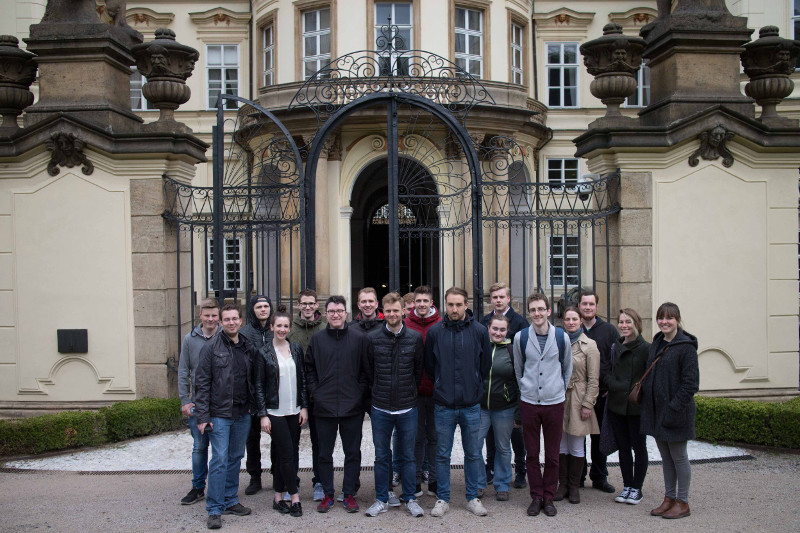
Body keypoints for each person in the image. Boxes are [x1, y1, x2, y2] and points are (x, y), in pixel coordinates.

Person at [424, 287, 491, 518]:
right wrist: (442, 383)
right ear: (445, 305)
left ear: (466, 305)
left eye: (458, 305)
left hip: (471, 404)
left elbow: (485, 366)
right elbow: (430, 367)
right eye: (450, 305)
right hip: (444, 404)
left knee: (473, 453)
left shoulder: (480, 331)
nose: (454, 309)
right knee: (442, 454)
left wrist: (473, 385)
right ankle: (443, 498)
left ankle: (472, 497)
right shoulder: (435, 332)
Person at [305, 295, 370, 513]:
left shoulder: (359, 338)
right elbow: (309, 369)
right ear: (325, 313)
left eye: (339, 311)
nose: (335, 314)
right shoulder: (317, 339)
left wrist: (358, 392)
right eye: (331, 311)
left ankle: (349, 493)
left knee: (352, 452)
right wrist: (316, 392)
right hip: (324, 406)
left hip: (352, 406)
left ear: (346, 313)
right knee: (324, 453)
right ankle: (328, 494)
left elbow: (365, 370)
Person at [364, 292, 425, 518]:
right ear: (383, 311)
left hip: (407, 406)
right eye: (388, 311)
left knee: (408, 456)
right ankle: (381, 498)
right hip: (381, 407)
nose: (392, 314)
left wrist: (409, 391)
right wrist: (377, 392)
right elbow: (368, 371)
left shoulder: (415, 338)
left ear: (402, 311)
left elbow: (418, 371)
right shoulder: (372, 338)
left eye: (395, 310)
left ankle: (409, 498)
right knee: (382, 455)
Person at [194, 304, 255, 530]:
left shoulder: (247, 346)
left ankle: (230, 500)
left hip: (242, 412)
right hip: (219, 414)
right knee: (219, 460)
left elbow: (252, 379)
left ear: (241, 321)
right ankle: (214, 508)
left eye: (234, 319)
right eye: (226, 319)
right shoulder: (210, 347)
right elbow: (201, 383)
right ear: (220, 322)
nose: (231, 322)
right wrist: (203, 416)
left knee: (235, 457)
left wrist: (252, 405)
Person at [514, 293, 572, 518]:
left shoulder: (561, 337)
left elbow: (566, 369)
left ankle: (549, 496)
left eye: (541, 309)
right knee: (532, 453)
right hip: (529, 402)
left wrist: (557, 389)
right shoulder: (521, 337)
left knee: (552, 454)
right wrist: (527, 388)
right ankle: (536, 496)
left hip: (554, 402)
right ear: (528, 313)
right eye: (533, 310)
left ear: (549, 311)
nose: (537, 313)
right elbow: (519, 369)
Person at [640, 302, 699, 520]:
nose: (664, 322)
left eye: (669, 318)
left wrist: (672, 408)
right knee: (666, 458)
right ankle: (669, 498)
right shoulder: (657, 343)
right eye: (661, 317)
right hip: (656, 412)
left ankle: (682, 502)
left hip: (676, 413)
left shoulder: (686, 348)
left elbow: (691, 384)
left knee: (679, 458)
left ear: (678, 320)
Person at [253, 306, 308, 518]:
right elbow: (258, 385)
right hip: (274, 412)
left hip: (294, 411)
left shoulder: (295, 349)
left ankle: (278, 496)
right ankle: (294, 496)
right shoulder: (263, 352)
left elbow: (302, 379)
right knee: (287, 455)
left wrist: (304, 406)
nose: (282, 329)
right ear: (271, 327)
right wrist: (263, 414)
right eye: (279, 326)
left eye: (286, 326)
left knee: (284, 454)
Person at [480, 282, 529, 489]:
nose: (498, 300)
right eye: (495, 297)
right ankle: (490, 469)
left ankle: (520, 469)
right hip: (488, 396)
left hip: (508, 393)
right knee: (491, 438)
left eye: (502, 297)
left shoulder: (519, 322)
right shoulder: (484, 321)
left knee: (515, 437)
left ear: (508, 298)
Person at [605, 308, 650, 506]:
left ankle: (637, 488)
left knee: (639, 447)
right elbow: (606, 370)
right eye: (621, 322)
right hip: (617, 404)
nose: (624, 325)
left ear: (636, 324)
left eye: (628, 322)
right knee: (623, 447)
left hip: (636, 406)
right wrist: (613, 384)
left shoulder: (646, 348)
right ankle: (627, 485)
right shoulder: (616, 346)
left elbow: (649, 376)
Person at [177, 298, 221, 506]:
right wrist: (185, 400)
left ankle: (219, 487)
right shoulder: (190, 339)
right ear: (200, 315)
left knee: (222, 450)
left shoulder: (225, 336)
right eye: (207, 315)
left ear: (218, 316)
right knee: (199, 447)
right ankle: (197, 487)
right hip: (198, 402)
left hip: (221, 403)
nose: (211, 319)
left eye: (214, 315)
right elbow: (183, 370)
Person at [554, 306, 599, 505]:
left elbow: (594, 379)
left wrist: (588, 403)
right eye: (567, 319)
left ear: (581, 321)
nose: (571, 322)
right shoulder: (557, 342)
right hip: (559, 396)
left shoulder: (590, 345)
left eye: (574, 319)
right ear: (563, 321)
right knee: (560, 443)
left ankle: (574, 485)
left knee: (577, 444)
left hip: (579, 397)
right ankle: (561, 484)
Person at [286, 289, 327, 501]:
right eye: (304, 304)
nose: (308, 307)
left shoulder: (326, 327)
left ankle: (319, 480)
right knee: (291, 442)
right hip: (294, 394)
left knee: (319, 442)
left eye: (311, 303)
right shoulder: (290, 329)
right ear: (299, 305)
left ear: (317, 305)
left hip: (319, 393)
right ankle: (291, 481)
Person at [476, 314, 520, 502]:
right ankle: (478, 483)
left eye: (502, 329)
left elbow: (519, 381)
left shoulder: (512, 350)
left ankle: (502, 485)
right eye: (495, 329)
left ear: (507, 331)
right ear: (488, 328)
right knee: (474, 446)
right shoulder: (480, 347)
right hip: (480, 407)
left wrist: (518, 410)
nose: (498, 333)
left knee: (503, 447)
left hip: (505, 408)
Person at [578, 291, 617, 494]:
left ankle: (599, 476)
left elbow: (616, 360)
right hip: (577, 394)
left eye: (591, 304)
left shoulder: (609, 331)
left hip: (601, 394)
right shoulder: (572, 329)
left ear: (596, 307)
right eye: (584, 303)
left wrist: (611, 387)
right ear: (579, 306)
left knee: (599, 437)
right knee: (578, 436)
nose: (587, 307)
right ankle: (578, 475)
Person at [404, 285, 441, 498]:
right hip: (414, 392)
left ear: (431, 303)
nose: (422, 305)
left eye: (425, 301)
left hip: (436, 391)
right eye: (419, 301)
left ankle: (434, 481)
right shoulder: (406, 324)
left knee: (435, 437)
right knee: (416, 438)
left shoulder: (441, 324)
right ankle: (416, 481)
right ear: (414, 303)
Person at [239, 295, 273, 496]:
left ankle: (278, 474)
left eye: (266, 306)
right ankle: (255, 476)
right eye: (259, 306)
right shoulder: (245, 333)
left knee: (277, 438)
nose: (263, 309)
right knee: (252, 440)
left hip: (273, 393)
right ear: (253, 309)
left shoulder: (275, 329)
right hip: (251, 394)